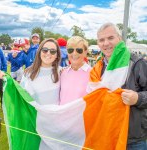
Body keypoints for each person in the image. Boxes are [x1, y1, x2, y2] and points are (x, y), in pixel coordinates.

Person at [91, 22, 147, 150]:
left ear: (120, 39)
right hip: (106, 134)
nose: (106, 43)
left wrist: (137, 98)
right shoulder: (98, 67)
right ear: (98, 43)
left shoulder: (137, 63)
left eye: (110, 38)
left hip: (132, 139)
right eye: (101, 40)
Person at [20, 38, 61, 105]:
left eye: (53, 51)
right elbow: (21, 95)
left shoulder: (61, 72)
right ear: (39, 52)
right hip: (35, 114)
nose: (48, 53)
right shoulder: (28, 73)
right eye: (45, 50)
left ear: (57, 55)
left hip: (56, 114)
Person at [60, 36, 91, 105]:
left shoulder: (93, 74)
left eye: (79, 50)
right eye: (70, 50)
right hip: (62, 115)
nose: (74, 53)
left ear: (85, 52)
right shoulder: (63, 72)